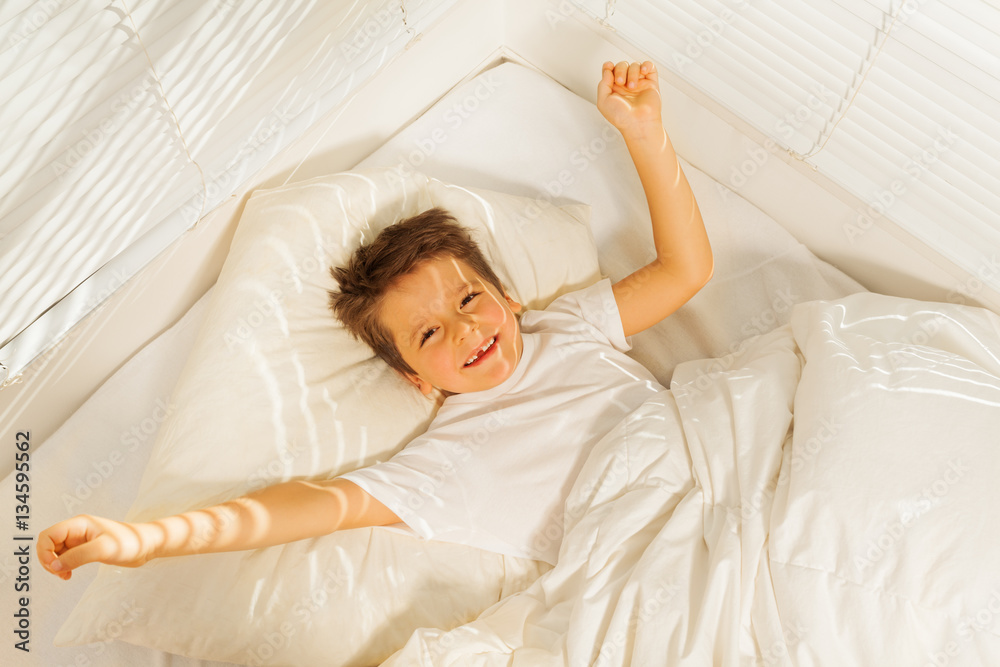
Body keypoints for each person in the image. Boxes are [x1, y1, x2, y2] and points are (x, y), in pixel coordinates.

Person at [37, 60, 713, 578]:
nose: (466, 330)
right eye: (428, 335)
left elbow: (684, 269)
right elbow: (311, 505)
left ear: (506, 295)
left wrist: (646, 136)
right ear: (415, 378)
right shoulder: (446, 460)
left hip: (718, 462)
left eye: (469, 300)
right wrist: (148, 537)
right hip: (657, 554)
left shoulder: (568, 325)